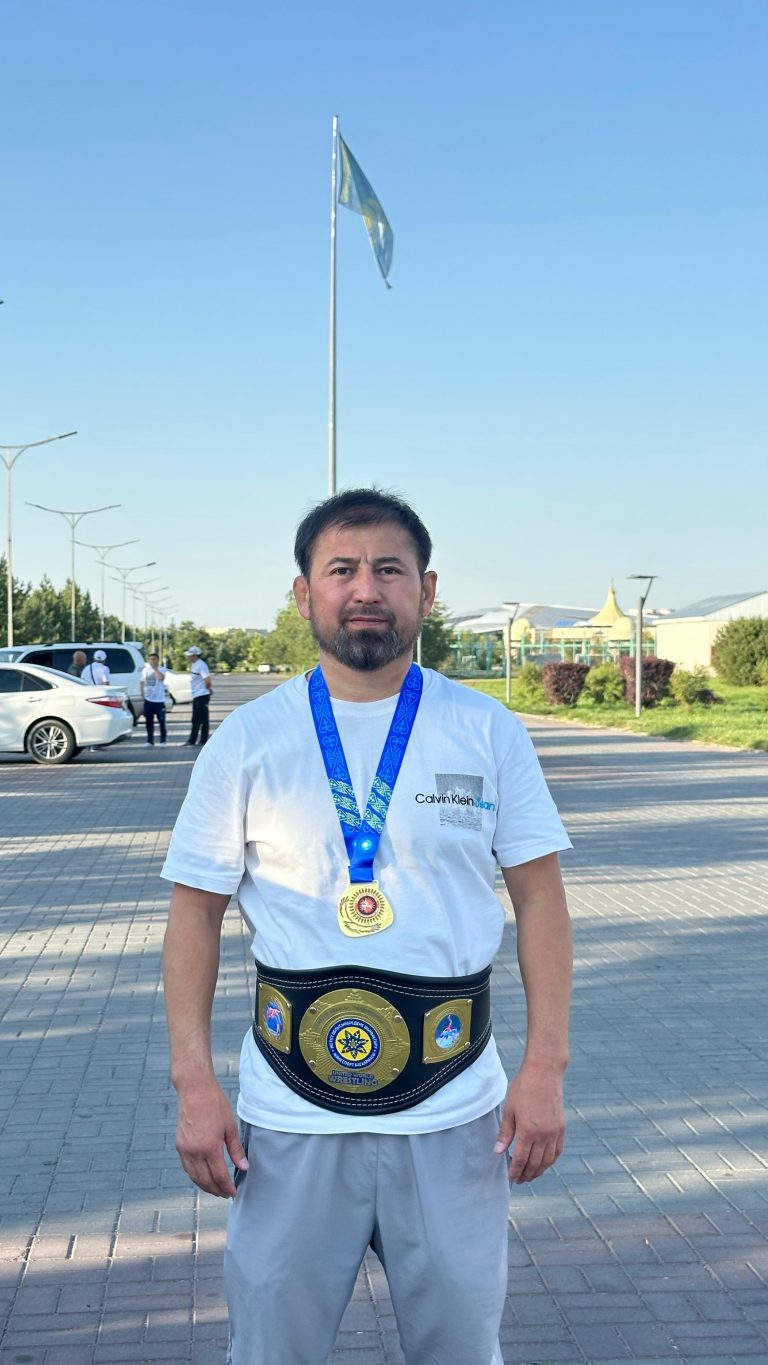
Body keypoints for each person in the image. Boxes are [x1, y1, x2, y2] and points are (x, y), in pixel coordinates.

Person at [161, 489, 573, 1365]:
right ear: (303, 593)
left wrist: (544, 1069)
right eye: (340, 569)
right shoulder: (248, 740)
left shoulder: (488, 730)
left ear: (427, 589)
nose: (365, 589)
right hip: (289, 1114)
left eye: (389, 569)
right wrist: (195, 1084)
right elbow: (194, 912)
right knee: (271, 1350)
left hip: (454, 1107)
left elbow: (542, 900)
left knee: (460, 1348)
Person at [184, 646, 212, 746]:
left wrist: (207, 689)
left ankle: (203, 741)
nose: (188, 657)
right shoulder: (194, 665)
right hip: (196, 695)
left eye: (190, 655)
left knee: (203, 720)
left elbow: (207, 680)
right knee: (195, 720)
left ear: (195, 655)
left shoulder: (201, 665)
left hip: (202, 695)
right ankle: (192, 740)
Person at [140, 651, 168, 747]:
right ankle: (150, 741)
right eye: (150, 659)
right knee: (149, 722)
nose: (152, 661)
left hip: (159, 700)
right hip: (148, 700)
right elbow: (142, 682)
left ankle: (163, 741)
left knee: (161, 721)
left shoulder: (162, 669)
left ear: (158, 660)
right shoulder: (145, 670)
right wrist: (142, 693)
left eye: (154, 659)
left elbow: (161, 678)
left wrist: (155, 669)